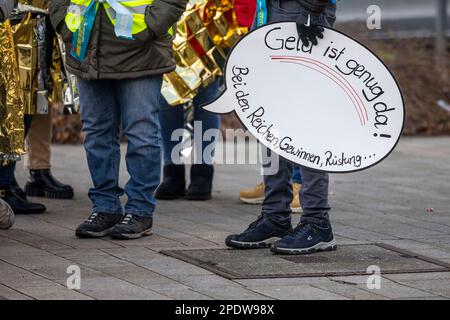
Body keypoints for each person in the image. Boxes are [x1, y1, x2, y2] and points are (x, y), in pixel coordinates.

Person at [50, 0, 189, 239]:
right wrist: (64, 23)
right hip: (88, 44)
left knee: (141, 132)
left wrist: (151, 26)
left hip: (141, 49)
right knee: (96, 133)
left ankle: (140, 211)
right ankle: (105, 208)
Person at [226, 0, 338, 254]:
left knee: (305, 118)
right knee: (272, 117)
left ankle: (317, 222)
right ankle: (275, 217)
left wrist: (313, 11)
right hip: (271, 10)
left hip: (302, 8)